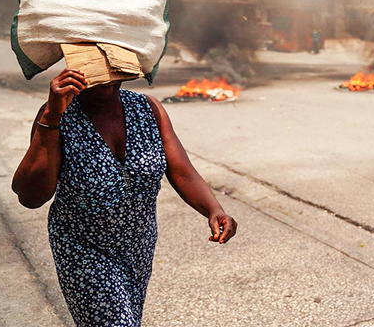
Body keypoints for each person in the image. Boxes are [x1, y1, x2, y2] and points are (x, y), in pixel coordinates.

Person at [12, 68, 237, 327]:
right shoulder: (58, 114)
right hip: (85, 251)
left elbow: (181, 171)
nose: (107, 79)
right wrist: (52, 116)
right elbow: (29, 196)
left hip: (139, 248)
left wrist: (214, 209)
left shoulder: (147, 108)